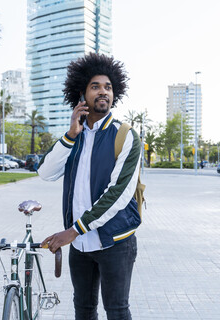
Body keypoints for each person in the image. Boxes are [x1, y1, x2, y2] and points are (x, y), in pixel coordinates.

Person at [37, 53, 141, 320]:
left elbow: (118, 193)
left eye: (108, 87)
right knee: (83, 311)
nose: (103, 91)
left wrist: (74, 230)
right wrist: (71, 135)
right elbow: (46, 173)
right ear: (82, 95)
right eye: (95, 86)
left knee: (117, 311)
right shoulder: (75, 137)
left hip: (114, 242)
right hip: (81, 246)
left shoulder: (125, 135)